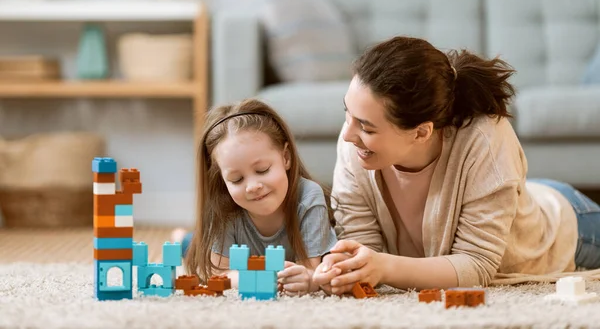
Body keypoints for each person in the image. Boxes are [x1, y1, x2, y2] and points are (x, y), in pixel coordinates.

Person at [312, 36, 600, 295]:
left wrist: (384, 268)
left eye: (366, 127)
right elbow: (362, 247)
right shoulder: (355, 140)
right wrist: (341, 268)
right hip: (514, 195)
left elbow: (477, 264)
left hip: (565, 223)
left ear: (422, 132)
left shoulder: (485, 139)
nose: (348, 135)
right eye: (347, 114)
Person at [180, 98, 337, 295]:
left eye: (262, 170)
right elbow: (218, 275)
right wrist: (261, 276)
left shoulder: (308, 196)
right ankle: (181, 237)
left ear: (286, 157)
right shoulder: (225, 205)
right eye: (236, 180)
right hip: (208, 241)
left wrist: (307, 279)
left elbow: (310, 270)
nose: (253, 187)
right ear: (222, 180)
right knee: (191, 245)